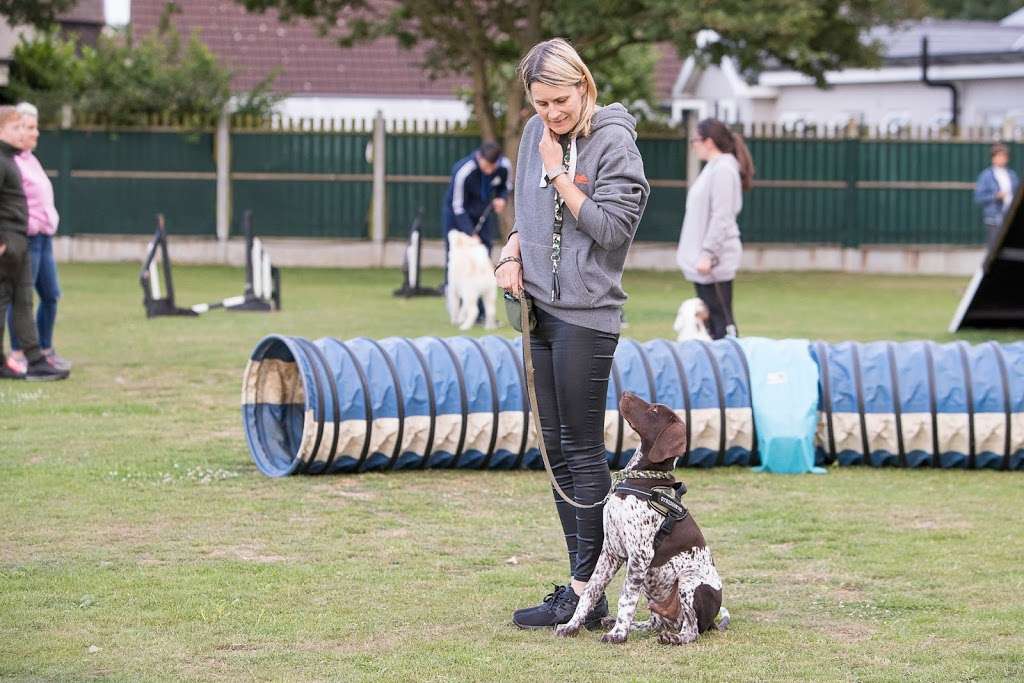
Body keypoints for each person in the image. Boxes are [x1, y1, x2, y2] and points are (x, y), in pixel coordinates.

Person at [494, 38, 650, 629]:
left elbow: (612, 230)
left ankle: (588, 590)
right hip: (538, 310)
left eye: (560, 101)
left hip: (588, 316)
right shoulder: (535, 135)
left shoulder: (616, 142)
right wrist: (511, 251)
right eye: (540, 104)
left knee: (583, 450)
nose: (551, 114)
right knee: (555, 450)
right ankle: (583, 588)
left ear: (584, 85)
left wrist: (562, 176)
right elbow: (526, 216)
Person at [0, 105, 68, 381]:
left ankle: (35, 358)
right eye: (15, 128)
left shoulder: (12, 159)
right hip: (11, 241)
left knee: (22, 301)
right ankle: (30, 358)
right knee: (11, 301)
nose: (22, 132)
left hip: (20, 240)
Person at [675, 118, 754, 340]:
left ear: (708, 142)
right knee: (714, 322)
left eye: (695, 140)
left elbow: (722, 215)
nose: (693, 145)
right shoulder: (714, 168)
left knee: (723, 323)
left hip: (714, 261)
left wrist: (707, 254)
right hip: (704, 261)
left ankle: (730, 369)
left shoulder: (724, 169)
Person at [442, 141, 509, 323]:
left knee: (482, 262)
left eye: (492, 167)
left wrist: (501, 199)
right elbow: (457, 205)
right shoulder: (464, 170)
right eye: (486, 167)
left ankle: (480, 313)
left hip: (483, 215)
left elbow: (504, 187)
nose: (489, 171)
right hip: (458, 218)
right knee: (458, 265)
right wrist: (470, 233)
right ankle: (456, 311)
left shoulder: (503, 167)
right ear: (479, 158)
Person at [974, 143, 1019, 250]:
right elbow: (978, 197)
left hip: (1010, 216)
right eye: (998, 156)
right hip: (994, 218)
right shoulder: (986, 175)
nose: (1001, 159)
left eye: (1003, 156)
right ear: (993, 158)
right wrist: (995, 196)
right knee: (994, 248)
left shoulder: (1012, 175)